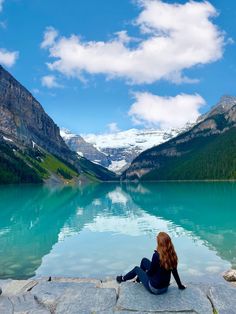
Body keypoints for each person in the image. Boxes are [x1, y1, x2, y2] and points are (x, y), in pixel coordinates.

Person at [116, 231, 186, 295]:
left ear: (159, 243)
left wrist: (143, 273)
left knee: (136, 269)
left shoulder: (156, 255)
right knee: (144, 260)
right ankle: (137, 280)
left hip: (155, 289)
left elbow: (150, 273)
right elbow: (175, 272)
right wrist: (180, 285)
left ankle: (122, 279)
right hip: (165, 287)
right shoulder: (172, 255)